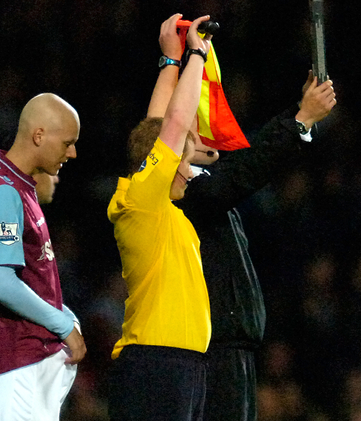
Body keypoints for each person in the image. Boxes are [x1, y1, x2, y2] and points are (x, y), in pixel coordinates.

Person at [142, 15, 338, 420]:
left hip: (225, 349)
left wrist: (172, 60)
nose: (196, 124)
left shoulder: (194, 187)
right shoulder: (180, 196)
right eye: (188, 125)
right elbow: (246, 170)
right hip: (213, 352)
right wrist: (300, 119)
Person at [106, 14, 212, 421]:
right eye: (185, 161)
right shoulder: (143, 202)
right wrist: (196, 56)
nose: (190, 169)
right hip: (155, 364)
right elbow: (173, 123)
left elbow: (155, 128)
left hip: (182, 366)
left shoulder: (155, 203)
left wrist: (171, 61)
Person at [0, 92, 87, 421]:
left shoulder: (15, 186)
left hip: (25, 361)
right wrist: (63, 324)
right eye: (68, 142)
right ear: (39, 135)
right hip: (15, 361)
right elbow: (2, 283)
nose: (72, 153)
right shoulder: (2, 190)